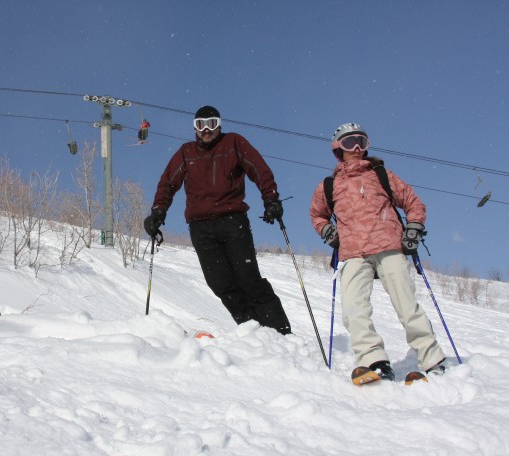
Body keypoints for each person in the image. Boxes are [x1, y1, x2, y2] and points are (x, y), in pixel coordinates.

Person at [309, 122, 446, 380]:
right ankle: (375, 361)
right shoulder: (328, 185)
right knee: (353, 309)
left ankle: (432, 360)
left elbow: (413, 202)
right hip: (353, 252)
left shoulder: (381, 175)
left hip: (388, 245)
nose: (358, 148)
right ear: (338, 149)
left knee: (406, 305)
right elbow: (317, 214)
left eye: (362, 141)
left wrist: (413, 228)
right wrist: (327, 231)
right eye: (350, 143)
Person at [144, 105, 291, 335]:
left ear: (219, 125)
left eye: (211, 124)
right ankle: (254, 331)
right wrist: (157, 211)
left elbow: (259, 169)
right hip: (200, 226)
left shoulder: (234, 143)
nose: (206, 130)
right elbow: (168, 183)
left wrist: (270, 198)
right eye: (200, 125)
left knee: (248, 278)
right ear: (194, 128)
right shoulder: (186, 152)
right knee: (220, 283)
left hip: (233, 220)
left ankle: (280, 332)